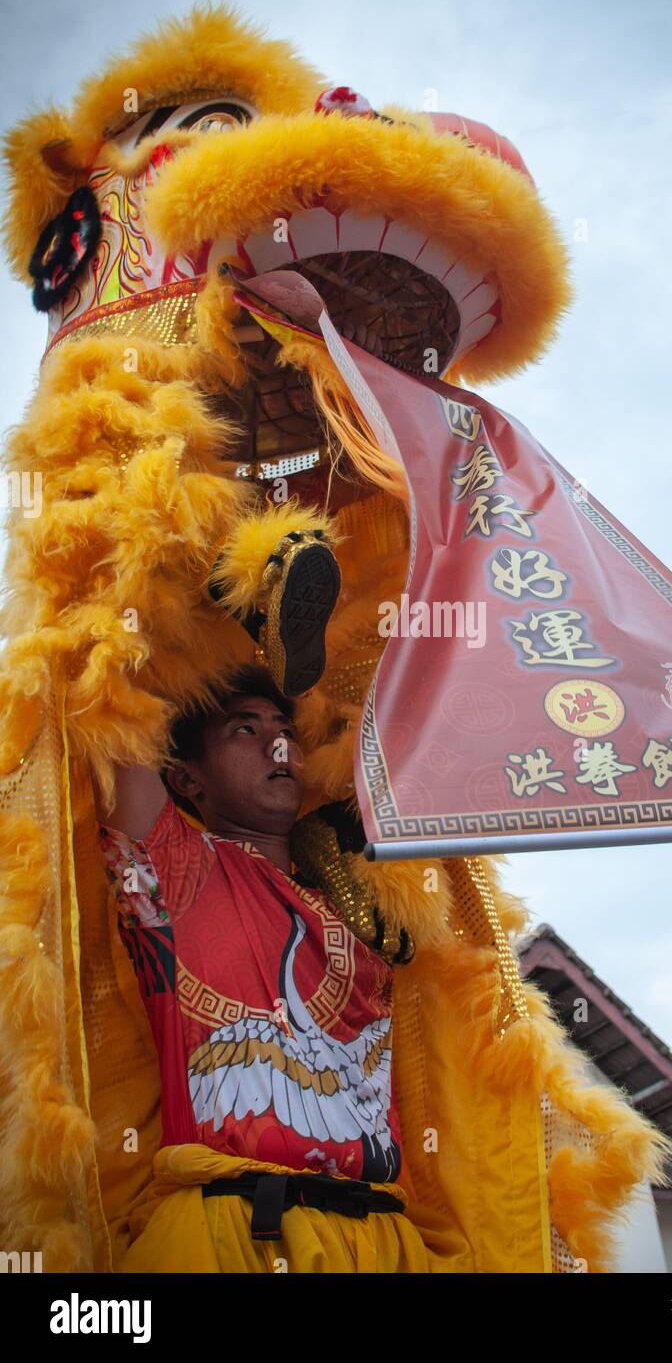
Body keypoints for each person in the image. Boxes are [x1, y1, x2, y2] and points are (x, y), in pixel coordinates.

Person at [94, 538, 431, 1273]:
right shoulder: (175, 867)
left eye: (284, 732)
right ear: (185, 779)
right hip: (231, 1233)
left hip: (386, 1240)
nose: (277, 745)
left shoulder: (364, 904)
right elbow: (118, 698)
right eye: (245, 731)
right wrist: (216, 580)